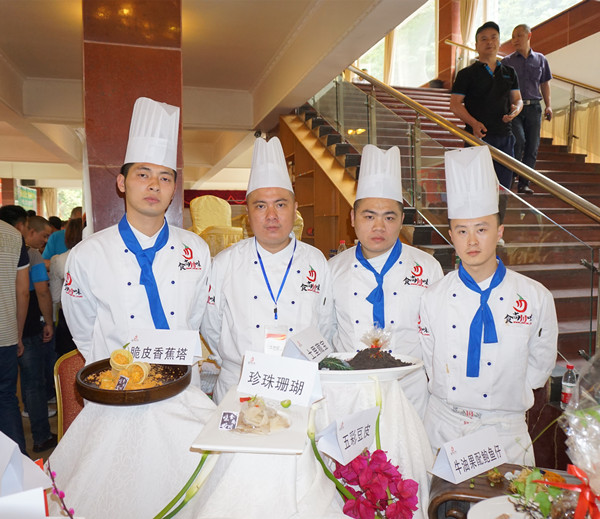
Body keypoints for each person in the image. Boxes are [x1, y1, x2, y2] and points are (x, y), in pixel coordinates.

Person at [49, 97, 217, 519]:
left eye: (165, 177)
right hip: (116, 406)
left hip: (184, 399)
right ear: (122, 183)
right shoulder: (88, 255)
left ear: (174, 187)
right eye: (143, 174)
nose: (154, 186)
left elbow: (193, 318)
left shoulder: (196, 249)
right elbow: (83, 329)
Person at [419, 146, 558, 465]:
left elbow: (540, 365)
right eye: (462, 231)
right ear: (451, 234)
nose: (471, 242)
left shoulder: (535, 297)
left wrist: (504, 393)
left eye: (481, 229)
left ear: (500, 232)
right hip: (444, 431)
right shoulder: (433, 296)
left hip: (505, 433)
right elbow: (430, 361)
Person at [202, 136, 334, 404]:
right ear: (247, 214)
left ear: (295, 209)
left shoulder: (316, 260)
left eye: (281, 204)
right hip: (238, 386)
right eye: (260, 206)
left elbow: (325, 324)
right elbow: (211, 326)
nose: (271, 215)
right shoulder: (225, 262)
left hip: (300, 387)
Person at [328, 144, 443, 418]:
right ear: (352, 218)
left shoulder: (427, 268)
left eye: (389, 217)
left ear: (402, 220)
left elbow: (436, 340)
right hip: (349, 396)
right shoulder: (332, 269)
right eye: (369, 216)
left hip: (411, 395)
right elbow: (325, 330)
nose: (379, 227)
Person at [450, 21, 523, 189]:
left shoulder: (509, 72)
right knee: (476, 187)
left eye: (493, 37)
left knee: (503, 189)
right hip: (476, 137)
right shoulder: (466, 74)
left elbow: (517, 99)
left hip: (505, 137)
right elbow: (454, 105)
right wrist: (474, 124)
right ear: (476, 45)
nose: (489, 42)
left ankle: (499, 217)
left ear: (499, 41)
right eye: (483, 39)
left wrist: (516, 110)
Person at [19, 215, 57, 452]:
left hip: (10, 325)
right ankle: (41, 435)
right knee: (34, 384)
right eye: (43, 236)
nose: (44, 242)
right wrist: (49, 322)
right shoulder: (31, 255)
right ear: (28, 231)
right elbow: (42, 291)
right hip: (31, 325)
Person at [502, 24, 552, 195]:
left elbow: (545, 84)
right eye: (513, 36)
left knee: (532, 147)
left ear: (529, 35)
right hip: (515, 108)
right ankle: (512, 174)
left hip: (534, 108)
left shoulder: (541, 59)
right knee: (519, 141)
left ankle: (524, 183)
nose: (515, 40)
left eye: (518, 35)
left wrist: (549, 106)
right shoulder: (507, 61)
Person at [0, 219, 29, 455]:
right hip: (6, 336)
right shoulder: (12, 234)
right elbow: (23, 291)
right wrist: (18, 334)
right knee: (7, 399)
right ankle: (18, 467)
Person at [49, 217, 83, 357]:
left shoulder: (58, 260)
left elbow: (56, 296)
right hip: (96, 317)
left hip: (68, 318)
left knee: (67, 361)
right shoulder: (98, 258)